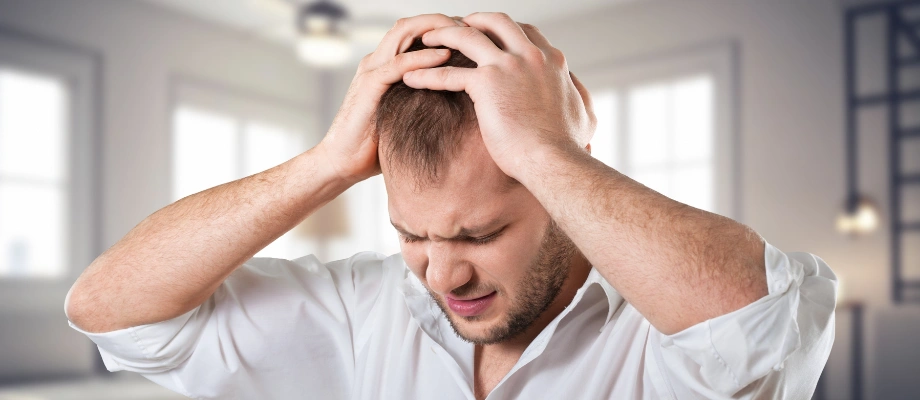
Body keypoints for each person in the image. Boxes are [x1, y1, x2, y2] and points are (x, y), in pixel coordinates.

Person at [65, 13, 837, 400]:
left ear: (563, 183)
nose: (441, 271)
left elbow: (755, 322)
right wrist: (329, 162)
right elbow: (110, 310)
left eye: (481, 232)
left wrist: (546, 149)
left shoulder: (663, 333)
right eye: (411, 234)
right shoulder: (360, 306)